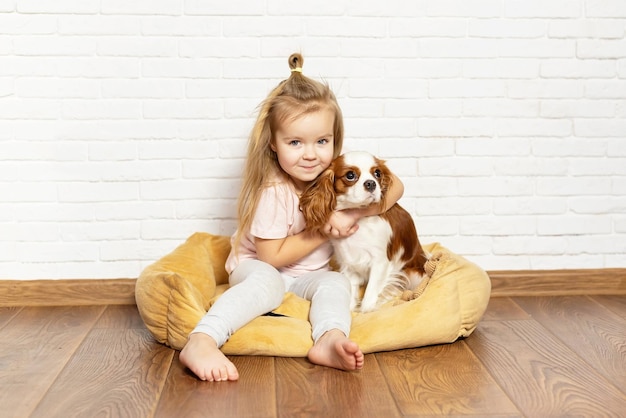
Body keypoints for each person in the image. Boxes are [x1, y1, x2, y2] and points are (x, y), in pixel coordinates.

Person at [179, 53, 404, 382]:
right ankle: (202, 340)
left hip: (307, 277)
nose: (311, 153)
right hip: (258, 267)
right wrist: (326, 231)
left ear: (334, 141)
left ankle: (328, 339)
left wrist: (356, 211)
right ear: (274, 144)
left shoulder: (337, 173)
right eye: (295, 142)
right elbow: (270, 257)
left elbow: (396, 186)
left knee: (336, 282)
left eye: (322, 141)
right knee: (268, 283)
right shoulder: (274, 191)